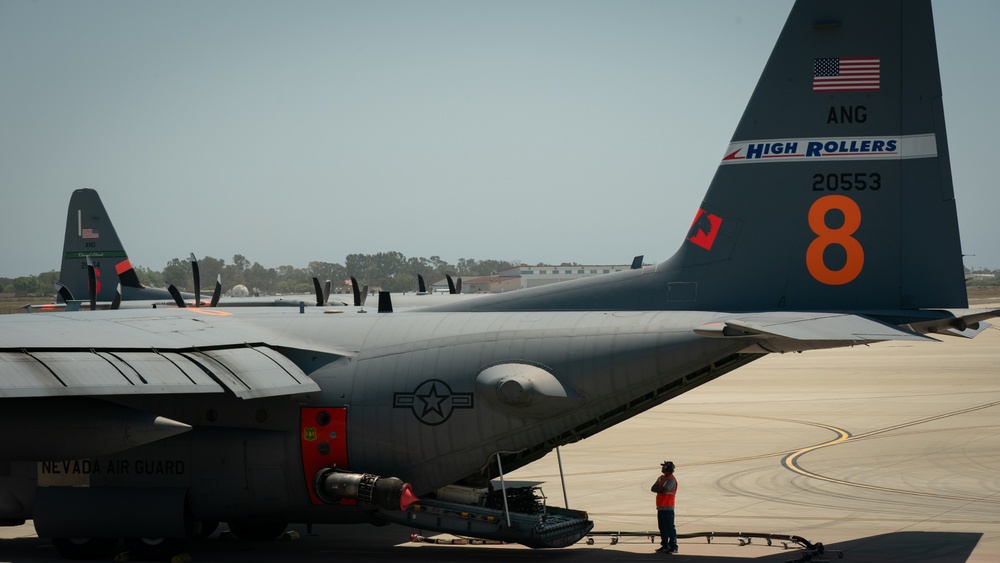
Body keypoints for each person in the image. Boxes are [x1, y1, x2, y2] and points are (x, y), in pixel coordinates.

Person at [650, 460, 678, 553]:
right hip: (661, 507)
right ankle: (665, 545)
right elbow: (652, 488)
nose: (662, 468)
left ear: (667, 469)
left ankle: (673, 546)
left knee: (670, 527)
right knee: (662, 527)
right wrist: (660, 489)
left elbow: (663, 491)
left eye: (664, 467)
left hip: (668, 507)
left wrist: (659, 489)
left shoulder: (671, 480)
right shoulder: (660, 478)